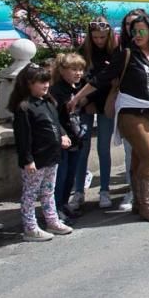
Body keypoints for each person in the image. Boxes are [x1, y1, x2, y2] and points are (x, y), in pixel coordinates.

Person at [70, 13, 149, 222]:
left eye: (142, 30)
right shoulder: (126, 53)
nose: (138, 34)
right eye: (134, 31)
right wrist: (78, 97)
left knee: (138, 159)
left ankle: (137, 203)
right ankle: (147, 205)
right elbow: (102, 77)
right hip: (131, 113)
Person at [10, 64, 73, 241]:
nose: (46, 85)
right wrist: (28, 160)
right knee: (30, 194)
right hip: (36, 159)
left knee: (48, 191)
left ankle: (52, 221)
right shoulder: (24, 107)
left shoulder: (47, 102)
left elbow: (54, 122)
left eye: (47, 82)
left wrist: (62, 134)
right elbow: (23, 137)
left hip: (51, 157)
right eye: (41, 82)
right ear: (29, 83)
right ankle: (30, 227)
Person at [76, 18, 117, 210]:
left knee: (103, 148)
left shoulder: (114, 52)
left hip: (105, 102)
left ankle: (104, 189)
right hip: (86, 104)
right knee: (82, 147)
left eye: (102, 37)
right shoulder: (83, 53)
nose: (99, 41)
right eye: (95, 37)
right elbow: (80, 80)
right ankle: (78, 191)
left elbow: (111, 81)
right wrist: (86, 101)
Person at [49, 53, 91, 225]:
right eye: (74, 69)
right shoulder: (57, 90)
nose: (78, 73)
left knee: (70, 175)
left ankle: (64, 204)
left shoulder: (78, 88)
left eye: (80, 69)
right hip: (64, 139)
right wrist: (62, 134)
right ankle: (56, 208)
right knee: (61, 175)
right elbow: (53, 116)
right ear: (62, 70)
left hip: (77, 137)